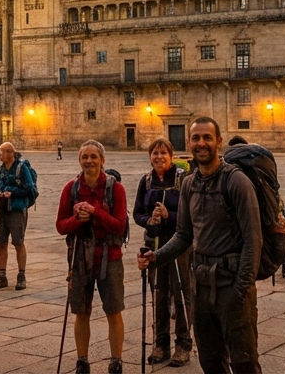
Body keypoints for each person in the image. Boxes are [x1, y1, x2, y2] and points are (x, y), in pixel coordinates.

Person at [139, 117, 261, 374]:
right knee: (211, 362)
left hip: (232, 284)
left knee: (243, 362)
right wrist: (156, 257)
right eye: (196, 138)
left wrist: (241, 289)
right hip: (202, 286)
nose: (201, 143)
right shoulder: (189, 184)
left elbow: (253, 240)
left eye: (207, 137)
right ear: (189, 142)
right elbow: (183, 235)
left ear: (218, 142)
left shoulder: (236, 182)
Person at [56, 140, 127, 374]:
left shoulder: (115, 189)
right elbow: (60, 225)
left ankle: (116, 359)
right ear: (79, 160)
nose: (89, 161)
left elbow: (119, 226)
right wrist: (77, 220)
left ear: (102, 160)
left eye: (94, 157)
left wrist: (96, 213)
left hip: (110, 256)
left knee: (113, 310)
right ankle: (82, 359)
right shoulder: (71, 188)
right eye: (85, 157)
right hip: (79, 257)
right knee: (81, 310)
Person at [133, 138, 193, 367]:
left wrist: (170, 216)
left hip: (178, 243)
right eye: (155, 153)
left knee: (180, 291)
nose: (159, 157)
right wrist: (149, 220)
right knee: (158, 292)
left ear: (171, 155)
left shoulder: (182, 179)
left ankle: (183, 343)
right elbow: (137, 212)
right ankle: (160, 343)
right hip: (154, 242)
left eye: (163, 153)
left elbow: (191, 214)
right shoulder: (146, 181)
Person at [0, 142, 36, 291]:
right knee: (1, 242)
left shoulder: (21, 168)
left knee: (18, 242)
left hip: (16, 209)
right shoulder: (0, 170)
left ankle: (21, 275)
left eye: (2, 152)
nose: (0, 155)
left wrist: (13, 193)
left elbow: (31, 190)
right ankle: (2, 275)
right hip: (3, 209)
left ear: (10, 153)